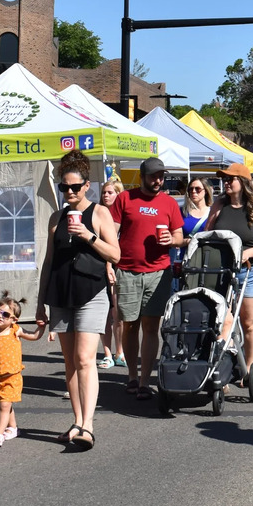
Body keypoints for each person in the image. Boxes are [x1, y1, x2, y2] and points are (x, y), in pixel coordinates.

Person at [37, 150, 120, 447]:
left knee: (85, 358)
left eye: (75, 187)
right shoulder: (55, 217)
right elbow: (48, 262)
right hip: (60, 292)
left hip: (91, 291)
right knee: (70, 362)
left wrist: (88, 235)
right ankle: (76, 421)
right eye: (64, 187)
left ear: (87, 185)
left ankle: (88, 425)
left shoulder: (99, 213)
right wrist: (40, 303)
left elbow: (116, 254)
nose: (69, 192)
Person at [110, 157, 183, 401]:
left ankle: (144, 382)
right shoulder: (124, 199)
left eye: (161, 176)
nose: (158, 180)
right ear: (142, 176)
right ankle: (131, 375)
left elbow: (179, 235)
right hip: (128, 270)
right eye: (153, 176)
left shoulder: (169, 202)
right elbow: (111, 233)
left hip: (158, 273)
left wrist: (171, 241)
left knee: (151, 327)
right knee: (130, 326)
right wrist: (109, 264)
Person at [205, 163, 253, 384]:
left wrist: (248, 253)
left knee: (247, 323)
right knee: (223, 321)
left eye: (230, 179)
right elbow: (207, 233)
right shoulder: (219, 205)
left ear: (242, 182)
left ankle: (247, 367)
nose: (226, 183)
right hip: (222, 271)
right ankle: (221, 366)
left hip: (250, 271)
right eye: (224, 179)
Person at [0, 293, 44, 447]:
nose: (0, 316)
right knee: (4, 403)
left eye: (5, 314)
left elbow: (34, 336)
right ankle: (12, 428)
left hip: (12, 376)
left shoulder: (15, 330)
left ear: (14, 319)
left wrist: (41, 327)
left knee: (4, 405)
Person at [98, 177, 127, 368]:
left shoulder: (124, 215)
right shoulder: (97, 213)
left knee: (118, 312)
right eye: (104, 192)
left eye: (110, 192)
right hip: (99, 265)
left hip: (118, 265)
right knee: (103, 313)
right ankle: (107, 352)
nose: (106, 196)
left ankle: (120, 351)